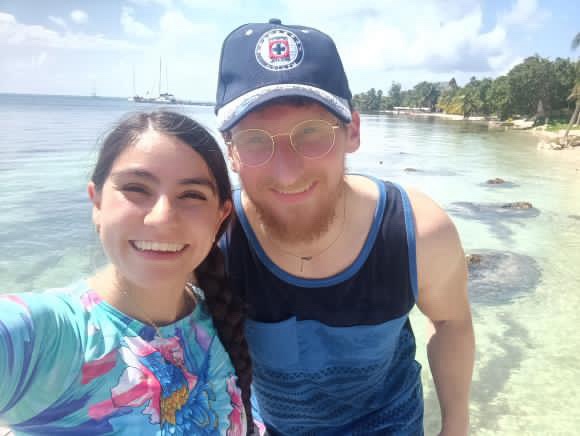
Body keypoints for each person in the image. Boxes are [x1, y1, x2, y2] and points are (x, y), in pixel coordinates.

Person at [215, 19, 475, 435]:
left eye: (311, 132)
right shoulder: (215, 240)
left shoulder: (417, 233)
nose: (287, 173)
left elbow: (451, 321)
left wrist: (456, 426)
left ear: (352, 131)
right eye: (255, 139)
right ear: (230, 151)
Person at [0, 111, 259, 435]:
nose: (161, 217)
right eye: (136, 188)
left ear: (221, 216)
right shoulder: (47, 336)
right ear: (97, 203)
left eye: (192, 195)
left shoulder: (220, 316)